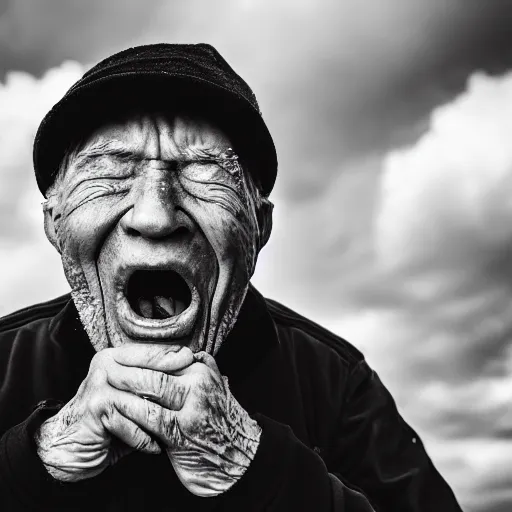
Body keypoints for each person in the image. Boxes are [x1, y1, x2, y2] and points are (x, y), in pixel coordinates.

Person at [0, 43, 462, 511]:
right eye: (112, 171)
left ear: (258, 227)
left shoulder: (337, 385)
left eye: (203, 171)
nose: (155, 216)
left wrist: (256, 469)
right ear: (54, 224)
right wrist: (35, 458)